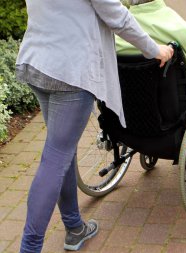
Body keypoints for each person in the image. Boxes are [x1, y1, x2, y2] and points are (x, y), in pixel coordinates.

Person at [15, 0, 173, 252]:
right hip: (71, 71)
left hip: (38, 63)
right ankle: (29, 248)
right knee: (56, 157)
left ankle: (74, 227)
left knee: (61, 152)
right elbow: (117, 16)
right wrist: (154, 49)